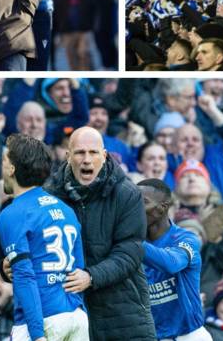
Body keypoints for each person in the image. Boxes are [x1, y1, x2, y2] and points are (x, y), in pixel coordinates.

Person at [44, 127, 157, 340]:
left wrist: (92, 276)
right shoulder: (50, 196)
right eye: (79, 153)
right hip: (69, 312)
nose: (87, 159)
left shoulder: (127, 193)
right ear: (68, 157)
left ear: (104, 156)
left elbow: (131, 250)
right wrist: (8, 266)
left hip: (124, 313)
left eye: (93, 153)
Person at [0, 134, 89, 341]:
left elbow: (24, 275)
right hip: (76, 317)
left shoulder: (12, 214)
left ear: (12, 169)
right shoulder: (66, 210)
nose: (1, 167)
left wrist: (37, 334)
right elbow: (79, 269)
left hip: (41, 322)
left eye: (4, 161)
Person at [138, 178, 210, 341]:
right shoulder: (133, 243)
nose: (135, 207)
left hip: (190, 335)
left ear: (162, 207)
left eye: (142, 202)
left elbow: (172, 263)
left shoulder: (186, 239)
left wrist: (132, 243)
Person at [53, 0, 96, 71]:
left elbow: (94, 10)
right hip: (67, 31)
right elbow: (58, 13)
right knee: (71, 54)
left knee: (83, 53)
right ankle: (75, 72)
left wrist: (92, 24)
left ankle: (86, 72)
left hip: (84, 29)